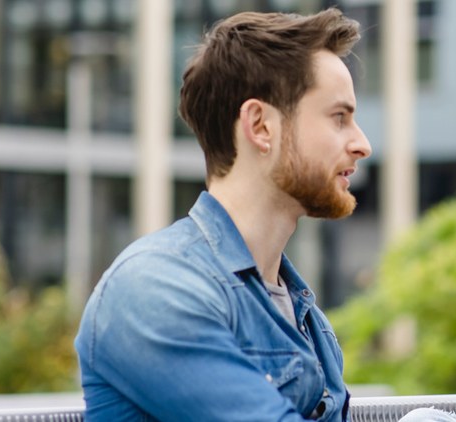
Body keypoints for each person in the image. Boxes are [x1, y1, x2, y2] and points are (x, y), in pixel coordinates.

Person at [73, 9, 371, 421]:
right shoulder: (152, 289)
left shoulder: (306, 318)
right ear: (260, 126)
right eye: (339, 117)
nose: (362, 144)